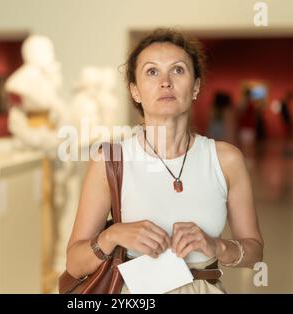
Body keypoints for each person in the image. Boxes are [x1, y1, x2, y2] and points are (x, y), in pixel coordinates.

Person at [66, 29, 264, 294]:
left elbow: (254, 252)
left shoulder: (226, 159)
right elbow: (75, 264)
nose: (165, 82)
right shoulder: (111, 159)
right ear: (135, 91)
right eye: (151, 72)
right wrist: (112, 236)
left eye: (178, 70)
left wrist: (218, 246)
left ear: (195, 87)